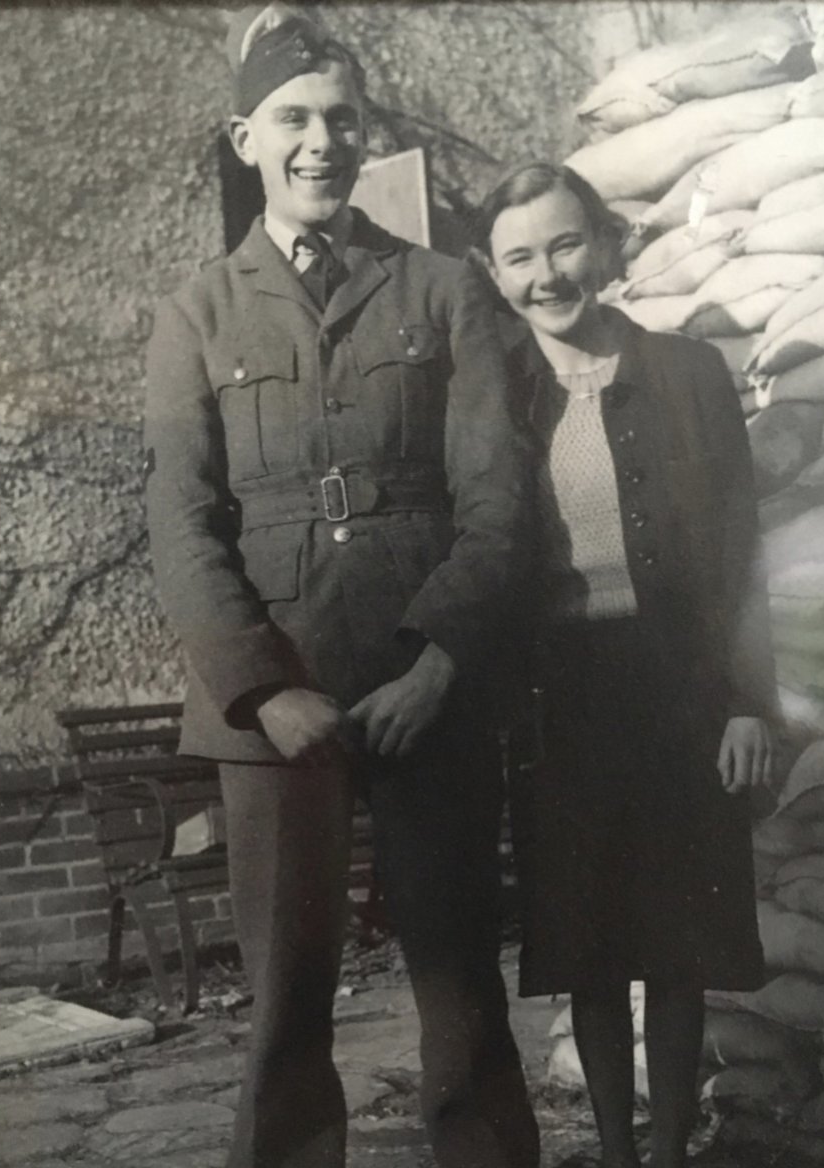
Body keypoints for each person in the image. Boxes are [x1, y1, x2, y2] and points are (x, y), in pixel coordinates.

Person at [143, 7, 539, 1168]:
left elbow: (498, 501)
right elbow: (181, 524)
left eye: (343, 120)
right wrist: (263, 692)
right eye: (294, 120)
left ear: (367, 138)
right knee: (285, 1011)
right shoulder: (194, 315)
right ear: (244, 138)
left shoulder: (443, 291)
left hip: (430, 693)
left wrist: (439, 662)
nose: (322, 142)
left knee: (462, 996)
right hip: (281, 715)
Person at [471, 162, 776, 1168]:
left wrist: (745, 703)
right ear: (492, 270)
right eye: (518, 257)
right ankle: (613, 1151)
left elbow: (739, 548)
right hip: (559, 698)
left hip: (680, 687)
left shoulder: (686, 372)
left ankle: (673, 1145)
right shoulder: (492, 395)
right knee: (591, 947)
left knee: (678, 944)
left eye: (563, 245)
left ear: (602, 246)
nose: (546, 275)